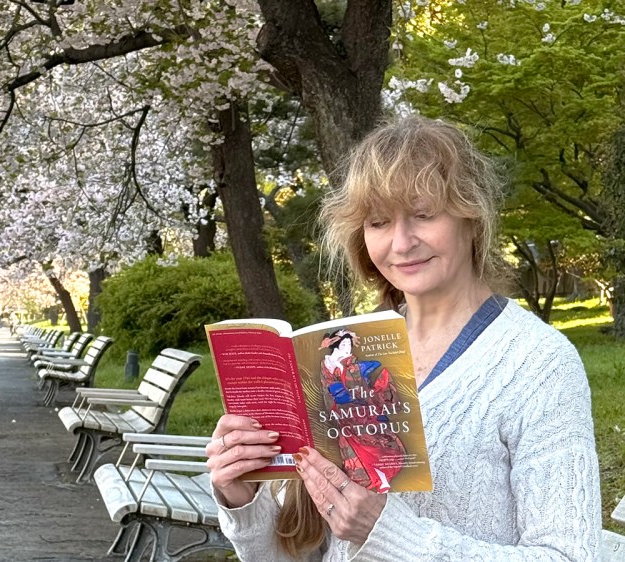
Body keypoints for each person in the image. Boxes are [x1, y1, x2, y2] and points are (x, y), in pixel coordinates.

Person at [206, 116, 601, 561]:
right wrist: (241, 497)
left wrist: (391, 535)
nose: (401, 242)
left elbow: (570, 555)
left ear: (471, 218)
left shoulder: (538, 363)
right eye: (378, 222)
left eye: (424, 214)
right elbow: (303, 554)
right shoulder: (345, 351)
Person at [319, 329, 405, 493]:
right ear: (336, 345)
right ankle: (371, 481)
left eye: (349, 345)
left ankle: (382, 479)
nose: (347, 348)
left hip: (361, 410)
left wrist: (345, 370)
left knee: (376, 444)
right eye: (344, 344)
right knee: (356, 450)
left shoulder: (352, 363)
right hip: (344, 413)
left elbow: (359, 387)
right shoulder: (327, 364)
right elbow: (328, 389)